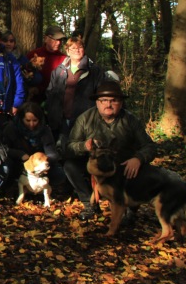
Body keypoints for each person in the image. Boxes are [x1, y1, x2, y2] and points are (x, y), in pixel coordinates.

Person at [64, 80, 165, 221]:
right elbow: (68, 147)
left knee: (142, 171)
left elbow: (150, 146)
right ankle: (89, 204)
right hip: (96, 167)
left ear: (121, 102)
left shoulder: (130, 120)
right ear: (97, 102)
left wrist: (139, 158)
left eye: (113, 100)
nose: (108, 104)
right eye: (104, 100)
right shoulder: (85, 119)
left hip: (123, 167)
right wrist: (83, 146)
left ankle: (131, 208)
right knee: (70, 166)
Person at [45, 36, 108, 145]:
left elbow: (101, 95)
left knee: (80, 150)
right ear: (67, 51)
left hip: (85, 120)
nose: (77, 50)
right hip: (61, 120)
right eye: (73, 48)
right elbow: (50, 93)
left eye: (80, 47)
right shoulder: (59, 71)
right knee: (60, 150)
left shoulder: (94, 71)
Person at [1, 102, 66, 195]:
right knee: (6, 167)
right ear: (21, 118)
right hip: (18, 161)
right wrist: (20, 154)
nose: (31, 124)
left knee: (59, 173)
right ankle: (11, 187)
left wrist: (44, 161)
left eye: (35, 120)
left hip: (39, 164)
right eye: (27, 120)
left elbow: (52, 152)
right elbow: (3, 149)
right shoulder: (11, 128)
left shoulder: (44, 130)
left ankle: (42, 189)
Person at [26, 25, 68, 101]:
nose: (58, 43)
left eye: (60, 40)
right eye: (55, 39)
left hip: (56, 100)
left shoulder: (64, 59)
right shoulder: (33, 55)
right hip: (34, 100)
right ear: (45, 38)